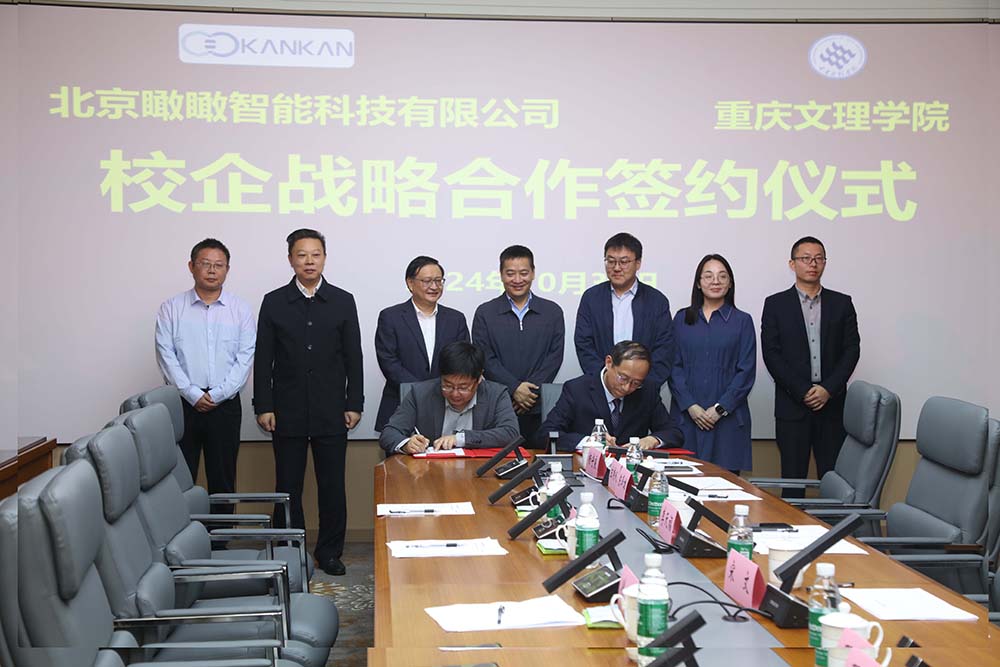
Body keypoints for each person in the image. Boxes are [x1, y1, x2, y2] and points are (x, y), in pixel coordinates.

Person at [253, 228, 364, 576]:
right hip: (287, 411)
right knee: (288, 487)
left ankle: (329, 552)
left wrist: (354, 402)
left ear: (325, 258)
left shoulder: (343, 300)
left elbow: (354, 357)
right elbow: (263, 359)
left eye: (315, 254)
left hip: (332, 410)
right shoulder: (274, 302)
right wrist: (263, 406)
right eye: (301, 255)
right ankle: (290, 551)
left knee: (332, 486)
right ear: (290, 260)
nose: (309, 261)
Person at [155, 238, 255, 514]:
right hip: (182, 405)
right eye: (205, 264)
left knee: (223, 479)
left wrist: (218, 394)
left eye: (219, 265)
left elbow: (245, 358)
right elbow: (166, 356)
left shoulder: (240, 310)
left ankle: (221, 537)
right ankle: (181, 536)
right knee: (180, 479)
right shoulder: (171, 308)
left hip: (225, 406)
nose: (212, 270)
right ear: (191, 266)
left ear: (227, 270)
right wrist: (193, 394)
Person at [761, 236, 860, 498]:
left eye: (818, 259)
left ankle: (833, 526)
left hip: (832, 406)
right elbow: (772, 354)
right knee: (793, 483)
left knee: (834, 482)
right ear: (792, 264)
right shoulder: (775, 304)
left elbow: (851, 350)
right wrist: (803, 390)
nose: (812, 264)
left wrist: (827, 389)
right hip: (792, 407)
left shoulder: (842, 303)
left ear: (825, 263)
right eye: (805, 258)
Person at [668, 254, 756, 474]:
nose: (715, 281)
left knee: (725, 486)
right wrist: (691, 406)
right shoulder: (682, 319)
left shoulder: (742, 321)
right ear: (698, 283)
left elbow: (746, 371)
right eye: (708, 276)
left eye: (722, 276)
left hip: (727, 422)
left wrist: (720, 409)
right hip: (687, 418)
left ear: (730, 283)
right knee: (683, 483)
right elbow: (673, 367)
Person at [472, 245, 564, 441]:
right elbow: (485, 357)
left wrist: (528, 393)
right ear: (501, 274)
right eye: (510, 273)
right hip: (498, 405)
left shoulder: (552, 312)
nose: (517, 279)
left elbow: (554, 357)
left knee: (539, 455)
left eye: (523, 273)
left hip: (538, 406)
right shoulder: (485, 313)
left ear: (533, 273)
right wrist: (513, 388)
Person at [374, 256, 469, 430]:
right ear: (410, 283)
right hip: (402, 405)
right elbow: (388, 361)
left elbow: (462, 361)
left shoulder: (456, 319)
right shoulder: (391, 317)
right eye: (427, 281)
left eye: (439, 281)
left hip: (448, 406)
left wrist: (444, 389)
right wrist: (423, 392)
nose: (434, 287)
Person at [379, 341, 520, 456]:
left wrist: (461, 439)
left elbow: (510, 432)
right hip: (430, 472)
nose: (455, 394)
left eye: (463, 387)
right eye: (447, 386)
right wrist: (406, 444)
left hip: (479, 471)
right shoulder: (420, 393)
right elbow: (389, 433)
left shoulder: (496, 394)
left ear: (479, 379)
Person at [539, 341, 683, 453]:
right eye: (623, 378)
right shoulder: (577, 389)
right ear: (609, 363)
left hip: (630, 470)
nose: (627, 388)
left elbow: (674, 432)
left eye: (636, 383)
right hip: (586, 467)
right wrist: (588, 442)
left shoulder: (647, 391)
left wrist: (653, 440)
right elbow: (546, 434)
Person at [574, 232, 675, 391]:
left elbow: (664, 349)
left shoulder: (657, 301)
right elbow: (584, 344)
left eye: (624, 262)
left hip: (643, 391)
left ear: (638, 263)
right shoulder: (591, 298)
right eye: (610, 261)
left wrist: (641, 385)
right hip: (602, 389)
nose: (616, 268)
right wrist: (606, 381)